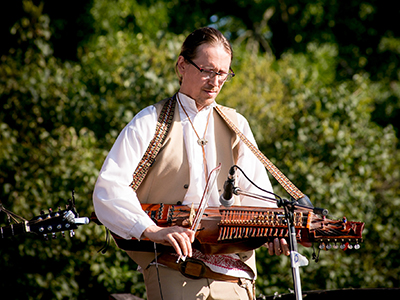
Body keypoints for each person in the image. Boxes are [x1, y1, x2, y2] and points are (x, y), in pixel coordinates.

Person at [93, 27, 291, 300]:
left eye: (223, 73)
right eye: (207, 70)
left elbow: (259, 199)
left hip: (234, 272)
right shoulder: (150, 120)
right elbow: (109, 189)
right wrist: (153, 230)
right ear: (182, 65)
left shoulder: (237, 125)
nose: (215, 81)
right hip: (171, 266)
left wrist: (274, 230)